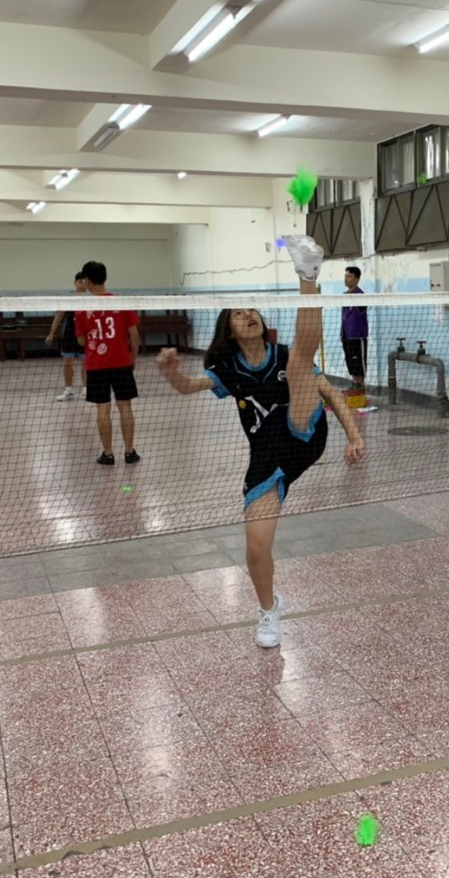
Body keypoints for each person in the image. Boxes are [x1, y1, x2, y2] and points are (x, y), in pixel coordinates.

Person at [157, 236, 364, 648]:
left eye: (250, 309)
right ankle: (269, 610)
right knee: (256, 548)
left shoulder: (284, 354)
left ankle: (307, 274)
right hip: (267, 457)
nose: (247, 315)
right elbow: (187, 387)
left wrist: (354, 436)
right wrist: (171, 373)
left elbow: (329, 391)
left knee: (300, 360)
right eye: (237, 313)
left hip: (303, 431)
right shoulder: (226, 369)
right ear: (229, 331)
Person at [75, 261, 140, 465]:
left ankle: (108, 453)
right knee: (125, 406)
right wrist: (133, 358)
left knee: (102, 408)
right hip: (122, 363)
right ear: (105, 277)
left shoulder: (82, 308)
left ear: (87, 281)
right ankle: (129, 452)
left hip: (97, 365)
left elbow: (81, 341)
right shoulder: (121, 302)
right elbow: (134, 334)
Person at [46, 271, 89, 401]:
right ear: (74, 283)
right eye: (80, 281)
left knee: (85, 363)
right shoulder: (68, 298)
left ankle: (87, 390)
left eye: (85, 282)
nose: (82, 284)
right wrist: (51, 334)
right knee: (67, 363)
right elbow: (59, 316)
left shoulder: (91, 299)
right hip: (69, 334)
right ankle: (68, 390)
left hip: (84, 335)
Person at [341, 265, 368, 394]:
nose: (346, 279)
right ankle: (354, 385)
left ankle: (360, 386)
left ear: (357, 279)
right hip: (346, 335)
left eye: (349, 276)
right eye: (345, 276)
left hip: (357, 336)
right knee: (350, 361)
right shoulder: (344, 295)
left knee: (358, 363)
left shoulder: (361, 296)